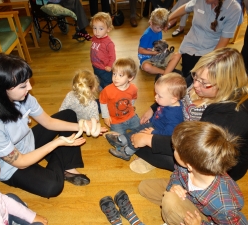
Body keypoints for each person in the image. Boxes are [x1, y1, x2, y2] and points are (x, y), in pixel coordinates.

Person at [0, 53, 107, 198]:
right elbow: (21, 162)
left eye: (28, 82)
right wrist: (58, 143)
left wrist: (84, 126)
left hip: (27, 141)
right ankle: (58, 157)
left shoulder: (23, 97)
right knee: (52, 187)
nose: (29, 87)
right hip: (11, 166)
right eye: (23, 85)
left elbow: (48, 122)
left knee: (69, 114)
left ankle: (65, 166)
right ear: (2, 89)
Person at [131, 47, 248, 181]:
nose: (196, 84)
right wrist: (153, 107)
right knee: (140, 137)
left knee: (139, 143)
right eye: (195, 75)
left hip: (208, 158)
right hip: (184, 132)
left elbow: (195, 147)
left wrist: (149, 140)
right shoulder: (200, 79)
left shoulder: (233, 114)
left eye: (204, 83)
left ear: (225, 84)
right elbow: (176, 91)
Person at [138, 121, 248, 224]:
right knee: (144, 187)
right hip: (187, 193)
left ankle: (174, 215)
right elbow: (177, 173)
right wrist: (175, 184)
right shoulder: (190, 166)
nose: (173, 149)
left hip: (201, 219)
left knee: (169, 200)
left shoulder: (224, 206)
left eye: (175, 149)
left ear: (189, 165)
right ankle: (175, 207)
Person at [105, 73, 186, 161]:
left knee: (139, 136)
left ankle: (126, 152)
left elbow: (170, 132)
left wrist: (154, 132)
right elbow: (159, 115)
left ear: (173, 99)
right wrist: (151, 120)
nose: (155, 97)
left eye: (159, 96)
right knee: (137, 130)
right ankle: (122, 140)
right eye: (156, 93)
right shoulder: (167, 102)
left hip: (159, 133)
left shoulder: (174, 115)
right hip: (154, 125)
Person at [167, 0, 242, 78]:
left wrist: (210, 61)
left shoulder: (233, 8)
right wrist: (167, 19)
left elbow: (224, 41)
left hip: (210, 51)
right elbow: (185, 8)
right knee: (187, 74)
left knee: (200, 78)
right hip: (190, 45)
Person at [100, 58, 140, 135]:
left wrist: (130, 106)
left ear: (130, 78)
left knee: (140, 129)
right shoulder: (107, 90)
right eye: (114, 74)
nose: (116, 78)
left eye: (120, 75)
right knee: (119, 138)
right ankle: (120, 144)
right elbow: (103, 103)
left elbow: (133, 99)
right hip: (115, 120)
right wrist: (105, 116)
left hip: (130, 116)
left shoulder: (134, 88)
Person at [138, 8, 182, 75]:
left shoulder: (158, 28)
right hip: (148, 58)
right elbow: (140, 50)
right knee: (146, 67)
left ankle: (164, 71)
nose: (160, 30)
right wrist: (153, 53)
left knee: (178, 55)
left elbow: (163, 26)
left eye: (161, 28)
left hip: (159, 55)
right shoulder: (147, 35)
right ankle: (165, 73)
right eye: (158, 28)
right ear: (151, 23)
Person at [90, 12, 116, 90]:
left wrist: (109, 65)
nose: (97, 32)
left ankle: (109, 90)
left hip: (104, 68)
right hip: (95, 65)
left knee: (107, 81)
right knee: (97, 77)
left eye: (101, 29)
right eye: (94, 28)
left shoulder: (109, 43)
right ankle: (101, 85)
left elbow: (112, 56)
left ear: (108, 29)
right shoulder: (95, 37)